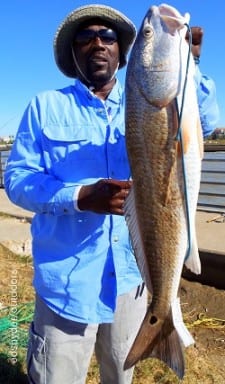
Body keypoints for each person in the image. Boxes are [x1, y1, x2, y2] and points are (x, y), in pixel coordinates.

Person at [4, 4, 219, 384]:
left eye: (107, 37)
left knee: (120, 377)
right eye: (85, 38)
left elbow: (206, 123)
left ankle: (160, 322)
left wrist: (190, 63)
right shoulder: (45, 106)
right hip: (66, 286)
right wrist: (79, 197)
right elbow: (18, 178)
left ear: (122, 52)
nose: (97, 43)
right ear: (73, 53)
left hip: (132, 281)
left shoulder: (152, 98)